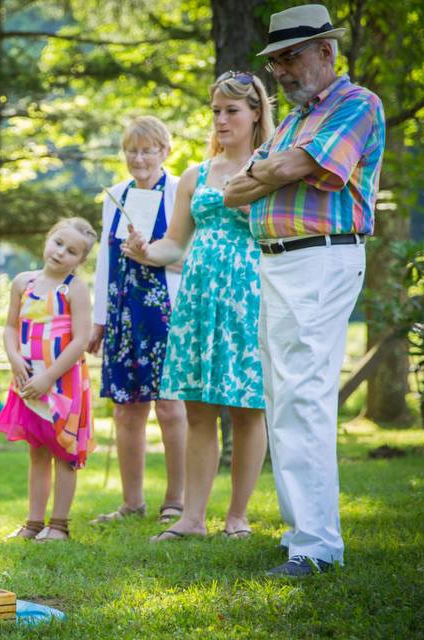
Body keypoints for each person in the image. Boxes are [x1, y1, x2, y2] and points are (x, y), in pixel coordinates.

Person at [224, 3, 386, 577]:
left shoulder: (356, 104)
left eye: (291, 57)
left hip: (321, 259)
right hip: (277, 263)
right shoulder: (293, 121)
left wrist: (273, 168)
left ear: (326, 51)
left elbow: (291, 168)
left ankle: (317, 546)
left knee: (304, 398)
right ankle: (300, 535)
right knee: (280, 397)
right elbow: (233, 193)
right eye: (276, 63)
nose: (283, 71)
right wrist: (276, 167)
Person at [123, 72, 275, 542]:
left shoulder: (272, 166)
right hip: (197, 300)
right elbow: (174, 245)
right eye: (216, 111)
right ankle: (192, 519)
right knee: (198, 408)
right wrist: (146, 250)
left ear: (255, 113)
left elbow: (283, 232)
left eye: (232, 110)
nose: (222, 119)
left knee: (247, 408)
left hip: (249, 296)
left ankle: (237, 517)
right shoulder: (196, 174)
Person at [88, 116, 188, 526]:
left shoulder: (182, 191)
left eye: (149, 150)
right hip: (122, 311)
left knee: (168, 406)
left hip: (167, 311)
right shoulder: (115, 195)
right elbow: (103, 262)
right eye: (133, 150)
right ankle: (131, 503)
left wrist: (150, 252)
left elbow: (189, 258)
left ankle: (176, 501)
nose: (140, 158)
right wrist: (98, 320)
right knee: (127, 409)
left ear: (165, 151)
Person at [0, 218, 98, 542]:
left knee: (64, 453)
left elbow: (80, 340)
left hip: (61, 383)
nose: (60, 253)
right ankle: (34, 523)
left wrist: (49, 377)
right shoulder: (22, 283)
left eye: (71, 251)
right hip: (28, 382)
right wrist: (13, 358)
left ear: (80, 261)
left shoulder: (74, 289)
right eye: (58, 243)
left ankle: (59, 525)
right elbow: (11, 327)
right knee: (37, 451)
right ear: (47, 239)